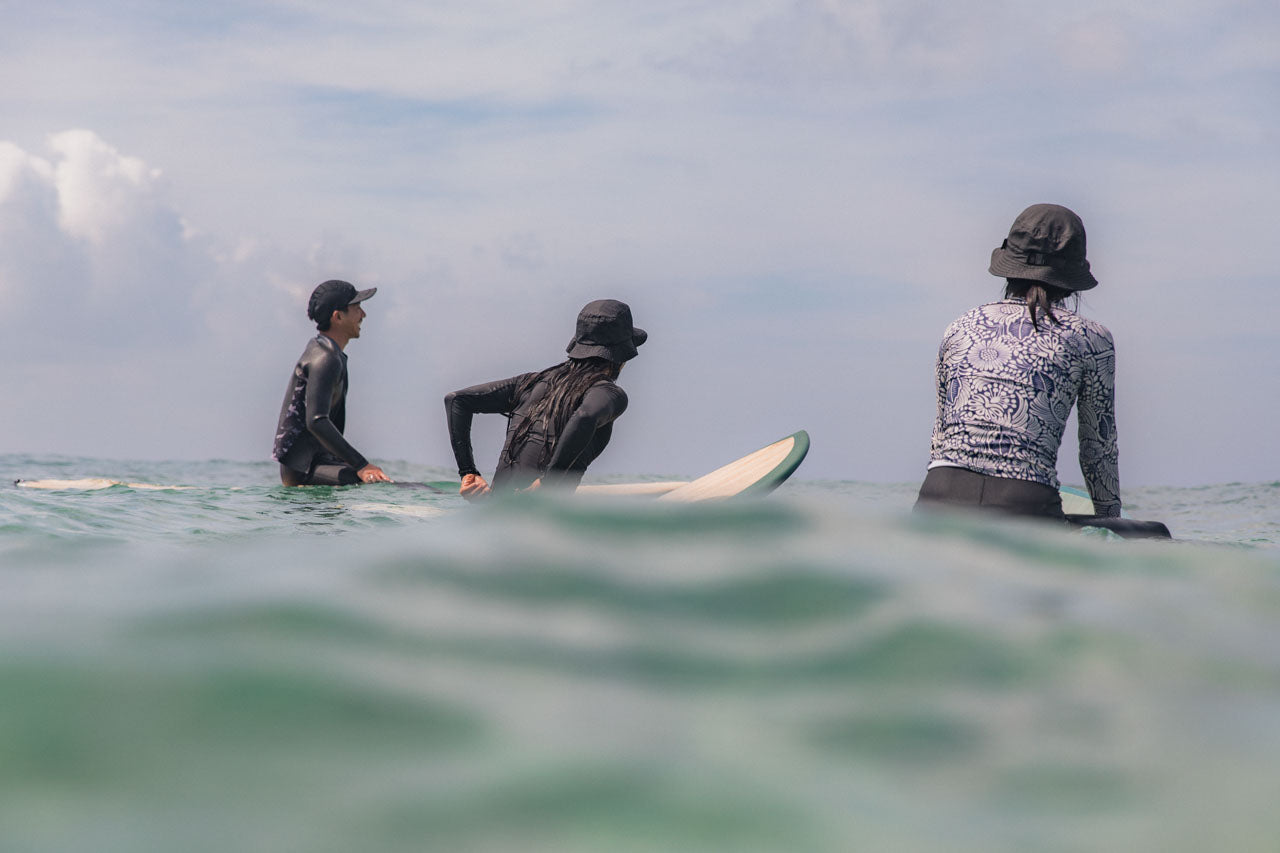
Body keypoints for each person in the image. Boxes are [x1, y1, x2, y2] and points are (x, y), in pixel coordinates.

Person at [916, 203, 1120, 520]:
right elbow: (1098, 450)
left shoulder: (960, 326)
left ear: (1008, 265)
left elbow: (940, 439)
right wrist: (1111, 521)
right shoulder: (1091, 338)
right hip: (1024, 500)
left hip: (939, 493)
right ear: (1073, 275)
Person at [444, 299, 646, 498]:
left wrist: (468, 473)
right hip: (541, 519)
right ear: (623, 354)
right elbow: (585, 416)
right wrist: (550, 481)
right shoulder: (609, 393)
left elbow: (456, 400)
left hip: (494, 511)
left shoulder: (528, 383)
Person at [273, 279, 392, 487]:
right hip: (305, 470)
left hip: (317, 464)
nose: (363, 315)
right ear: (338, 317)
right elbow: (316, 420)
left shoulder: (326, 351)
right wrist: (361, 465)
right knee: (377, 485)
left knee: (379, 483)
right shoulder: (325, 358)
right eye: (357, 308)